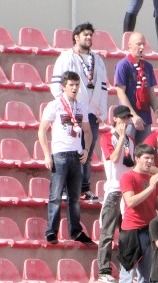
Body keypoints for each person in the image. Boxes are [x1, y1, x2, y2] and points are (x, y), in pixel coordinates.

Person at [50, 22, 108, 201]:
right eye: (85, 35)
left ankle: (84, 187)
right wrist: (66, 107)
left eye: (91, 35)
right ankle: (68, 189)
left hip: (91, 113)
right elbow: (56, 85)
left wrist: (103, 112)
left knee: (87, 153)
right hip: (72, 112)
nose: (89, 38)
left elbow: (103, 87)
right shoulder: (66, 57)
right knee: (71, 152)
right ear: (76, 37)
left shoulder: (97, 59)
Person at [38, 71, 95, 246]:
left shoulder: (82, 107)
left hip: (77, 156)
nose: (74, 88)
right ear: (63, 86)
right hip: (60, 154)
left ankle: (75, 231)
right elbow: (42, 130)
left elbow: (88, 131)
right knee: (55, 195)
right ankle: (51, 231)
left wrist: (86, 149)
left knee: (75, 198)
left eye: (77, 85)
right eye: (71, 85)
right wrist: (47, 155)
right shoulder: (54, 105)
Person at [115, 144, 158, 283]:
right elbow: (131, 201)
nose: (150, 161)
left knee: (145, 276)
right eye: (146, 158)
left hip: (149, 230)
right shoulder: (128, 176)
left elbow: (157, 206)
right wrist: (150, 188)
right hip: (131, 230)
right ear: (137, 158)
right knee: (128, 274)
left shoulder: (151, 180)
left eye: (152, 158)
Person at [96, 105, 135, 283]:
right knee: (108, 232)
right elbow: (113, 158)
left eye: (128, 118)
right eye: (123, 118)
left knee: (127, 234)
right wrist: (120, 139)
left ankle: (127, 270)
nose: (126, 121)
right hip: (113, 191)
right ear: (116, 119)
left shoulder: (131, 141)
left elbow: (131, 165)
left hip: (127, 192)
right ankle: (103, 269)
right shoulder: (107, 137)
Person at [115, 32, 157, 144]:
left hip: (145, 116)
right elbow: (120, 92)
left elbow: (151, 91)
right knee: (128, 152)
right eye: (138, 44)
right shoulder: (123, 65)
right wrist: (133, 116)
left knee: (144, 152)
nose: (142, 47)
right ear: (129, 45)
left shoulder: (148, 66)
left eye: (143, 44)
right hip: (128, 118)